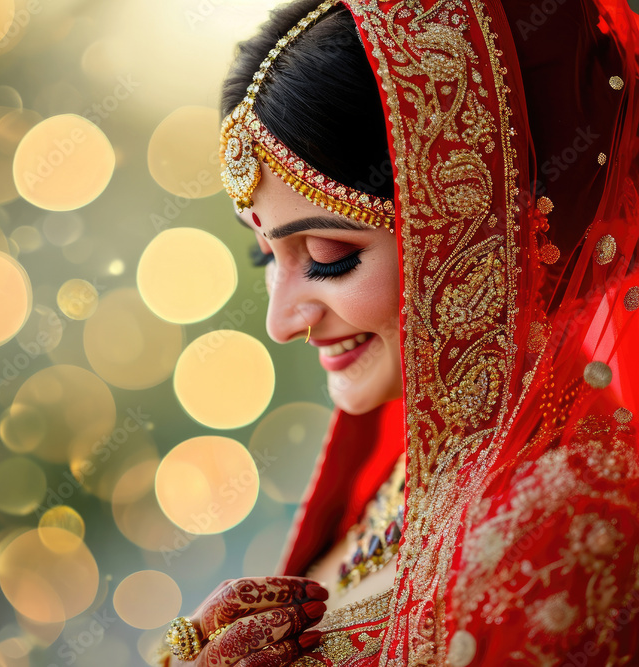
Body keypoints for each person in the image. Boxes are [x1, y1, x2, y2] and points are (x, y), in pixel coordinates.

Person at [154, 0, 639, 664]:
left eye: (328, 256)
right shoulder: (412, 472)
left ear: (476, 229)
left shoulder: (569, 523)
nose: (280, 321)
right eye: (265, 256)